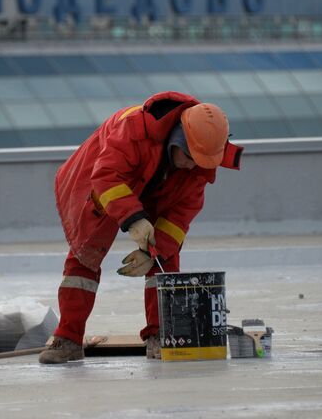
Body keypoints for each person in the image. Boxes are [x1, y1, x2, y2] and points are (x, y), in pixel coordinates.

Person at [39, 91, 242, 364]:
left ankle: (161, 335)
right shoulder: (133, 129)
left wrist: (154, 252)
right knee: (84, 255)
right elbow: (107, 176)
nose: (194, 166)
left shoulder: (198, 166)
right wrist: (133, 218)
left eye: (201, 161)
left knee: (164, 260)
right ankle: (68, 339)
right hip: (100, 180)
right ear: (178, 140)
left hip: (156, 184)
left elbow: (179, 218)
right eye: (191, 157)